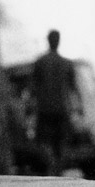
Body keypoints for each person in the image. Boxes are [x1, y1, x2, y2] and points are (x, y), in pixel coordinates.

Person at [30, 29, 81, 175]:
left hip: (44, 109)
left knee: (44, 142)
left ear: (48, 41)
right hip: (62, 109)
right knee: (61, 143)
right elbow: (73, 89)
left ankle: (51, 165)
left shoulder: (40, 62)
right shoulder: (66, 63)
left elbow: (33, 88)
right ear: (59, 41)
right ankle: (57, 167)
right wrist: (77, 109)